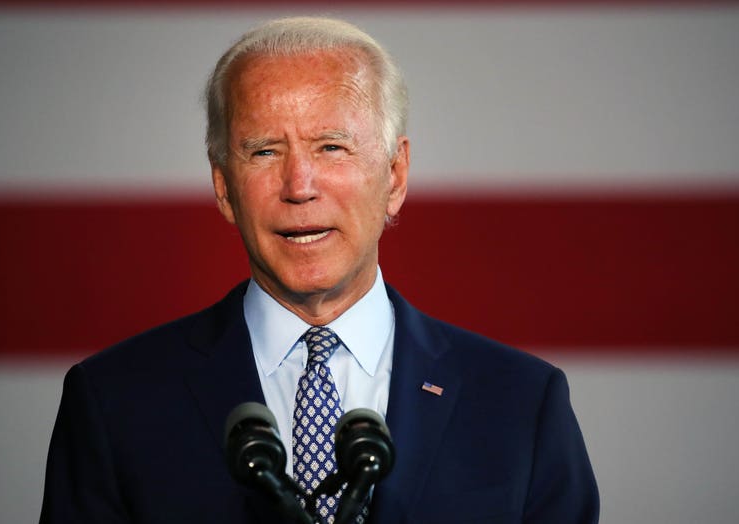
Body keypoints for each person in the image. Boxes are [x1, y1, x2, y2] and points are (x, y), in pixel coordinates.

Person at [40, 16, 598, 524]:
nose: (299, 186)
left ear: (395, 176)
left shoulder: (522, 405)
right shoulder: (113, 402)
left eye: (331, 147)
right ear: (222, 187)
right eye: (264, 152)